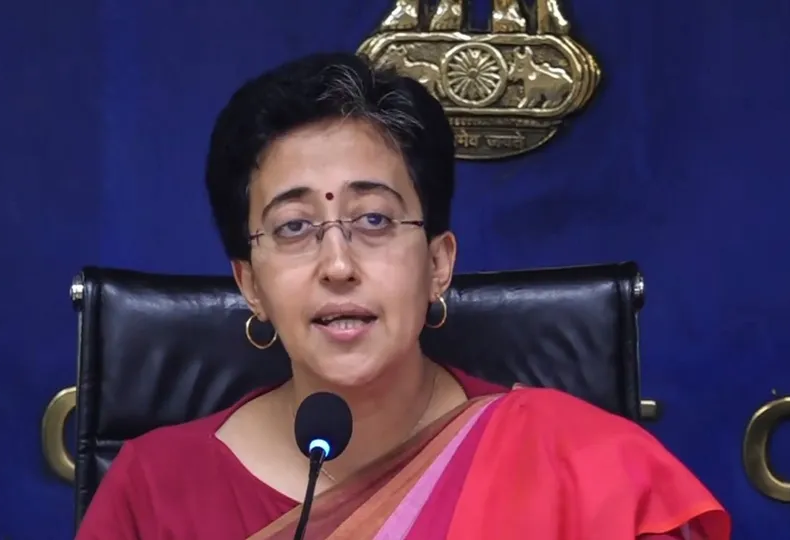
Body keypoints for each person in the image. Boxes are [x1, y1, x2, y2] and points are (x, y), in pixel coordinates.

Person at [75, 52, 730, 540]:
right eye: (295, 227)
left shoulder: (583, 468)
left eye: (375, 221)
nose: (338, 264)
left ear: (438, 264)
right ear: (250, 283)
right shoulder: (154, 490)